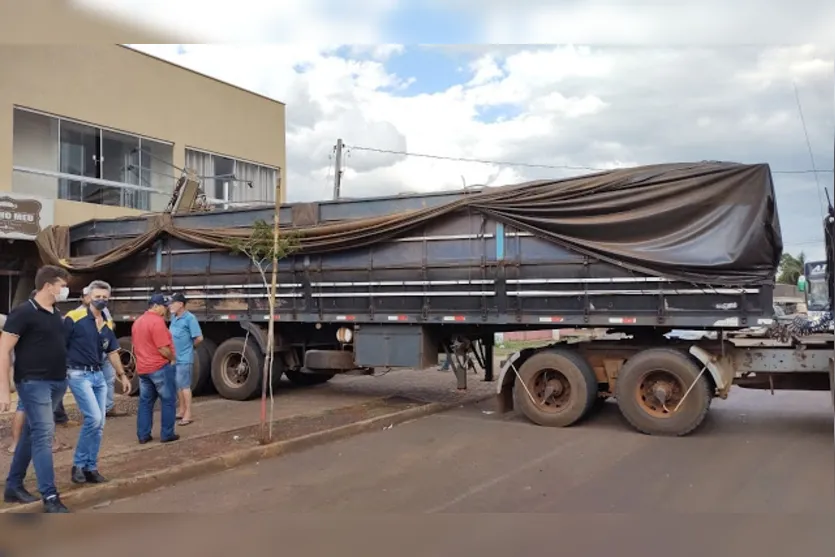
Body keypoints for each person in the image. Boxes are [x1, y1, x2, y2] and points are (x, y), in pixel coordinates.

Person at [0, 265, 72, 513]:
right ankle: (50, 496)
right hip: (33, 383)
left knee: (32, 434)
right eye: (62, 285)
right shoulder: (22, 313)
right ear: (48, 285)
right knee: (43, 435)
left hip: (57, 383)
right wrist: (4, 391)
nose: (65, 289)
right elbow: (3, 350)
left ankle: (13, 486)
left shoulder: (54, 312)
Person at [63, 280, 131, 484]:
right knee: (93, 418)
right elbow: (60, 344)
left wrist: (123, 374)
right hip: (78, 374)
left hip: (98, 376)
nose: (101, 300)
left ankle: (91, 467)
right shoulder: (74, 318)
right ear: (88, 297)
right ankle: (78, 465)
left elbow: (111, 350)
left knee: (99, 424)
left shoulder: (106, 323)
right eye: (97, 296)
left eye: (104, 297)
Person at [132, 294, 179, 444]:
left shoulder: (138, 322)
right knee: (168, 400)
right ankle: (167, 434)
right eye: (165, 306)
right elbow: (162, 348)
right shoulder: (157, 322)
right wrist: (172, 358)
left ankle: (143, 435)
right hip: (159, 367)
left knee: (145, 402)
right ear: (156, 306)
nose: (167, 309)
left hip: (143, 369)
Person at [77, 286, 126, 418]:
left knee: (109, 379)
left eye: (103, 297)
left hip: (105, 351)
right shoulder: (77, 314)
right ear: (83, 298)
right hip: (90, 355)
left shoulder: (104, 311)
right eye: (87, 296)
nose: (100, 300)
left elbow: (110, 325)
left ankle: (108, 407)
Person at [168, 293, 203, 426]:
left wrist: (188, 348)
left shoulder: (190, 318)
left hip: (184, 357)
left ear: (181, 304)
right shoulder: (174, 317)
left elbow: (199, 338)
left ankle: (188, 414)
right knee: (178, 385)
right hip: (175, 358)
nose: (170, 305)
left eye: (173, 303)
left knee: (184, 385)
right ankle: (181, 410)